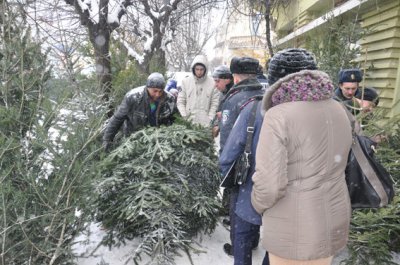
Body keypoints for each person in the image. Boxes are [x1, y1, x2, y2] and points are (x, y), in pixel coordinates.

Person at [251, 48, 353, 265]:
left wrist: (257, 204)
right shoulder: (339, 108)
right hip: (334, 219)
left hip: (294, 227)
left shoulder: (278, 115)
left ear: (276, 79)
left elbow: (269, 186)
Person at [219, 56, 264, 256]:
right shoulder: (265, 94)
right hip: (263, 159)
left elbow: (228, 136)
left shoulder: (234, 98)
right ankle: (254, 240)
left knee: (238, 207)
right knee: (255, 203)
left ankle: (239, 246)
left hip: (241, 162)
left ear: (235, 77)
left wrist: (224, 164)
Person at [103, 72, 177, 150]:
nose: (157, 94)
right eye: (155, 91)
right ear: (148, 87)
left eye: (160, 91)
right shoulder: (133, 97)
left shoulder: (170, 100)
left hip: (158, 142)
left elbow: (175, 120)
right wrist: (107, 140)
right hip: (133, 139)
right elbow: (117, 119)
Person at [177, 54, 220, 126]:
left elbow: (214, 103)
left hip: (206, 124)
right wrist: (184, 117)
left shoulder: (212, 83)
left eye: (201, 69)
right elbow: (180, 101)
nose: (199, 72)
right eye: (197, 69)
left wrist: (210, 118)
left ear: (205, 69)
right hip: (189, 123)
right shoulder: (185, 82)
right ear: (193, 69)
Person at [211, 65, 234, 138]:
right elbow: (219, 112)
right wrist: (216, 124)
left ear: (227, 80)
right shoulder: (221, 94)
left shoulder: (235, 95)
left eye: (217, 81)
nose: (215, 85)